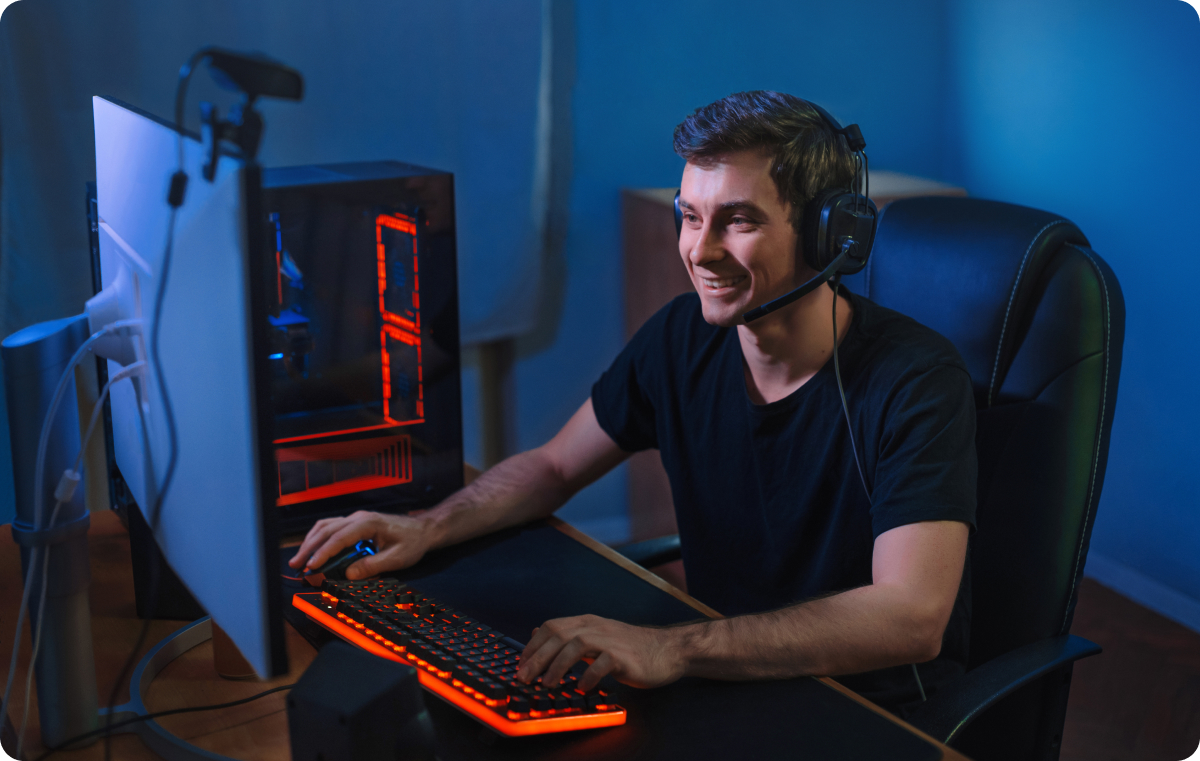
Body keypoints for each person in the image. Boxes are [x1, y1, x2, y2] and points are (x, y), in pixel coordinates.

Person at [289, 90, 976, 715]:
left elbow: (910, 617)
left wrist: (673, 647)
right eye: (690, 216)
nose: (699, 250)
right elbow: (557, 466)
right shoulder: (680, 338)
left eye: (736, 221)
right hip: (729, 678)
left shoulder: (915, 380)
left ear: (831, 237)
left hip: (862, 709)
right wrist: (430, 526)